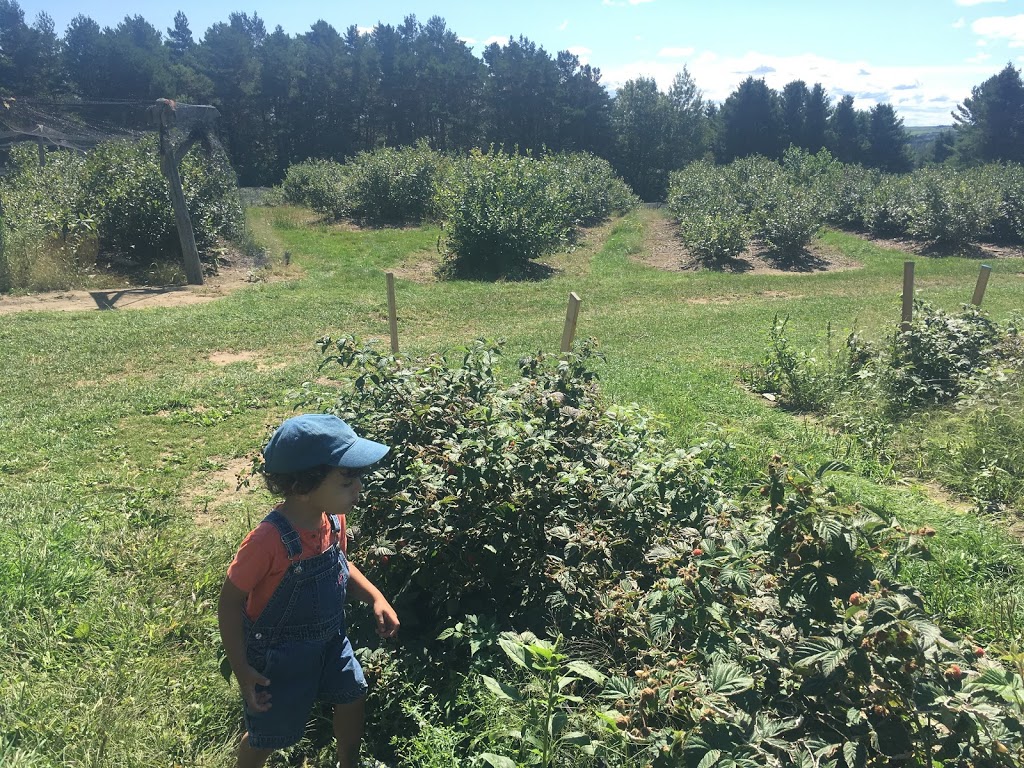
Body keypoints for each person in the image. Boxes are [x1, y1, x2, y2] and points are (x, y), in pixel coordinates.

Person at [218, 414, 400, 768]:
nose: (358, 488)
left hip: (331, 639)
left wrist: (375, 596)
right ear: (303, 485)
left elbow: (339, 565)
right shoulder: (268, 541)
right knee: (272, 731)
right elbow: (230, 602)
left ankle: (347, 760)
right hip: (279, 656)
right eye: (347, 481)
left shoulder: (333, 519)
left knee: (352, 694)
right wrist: (242, 669)